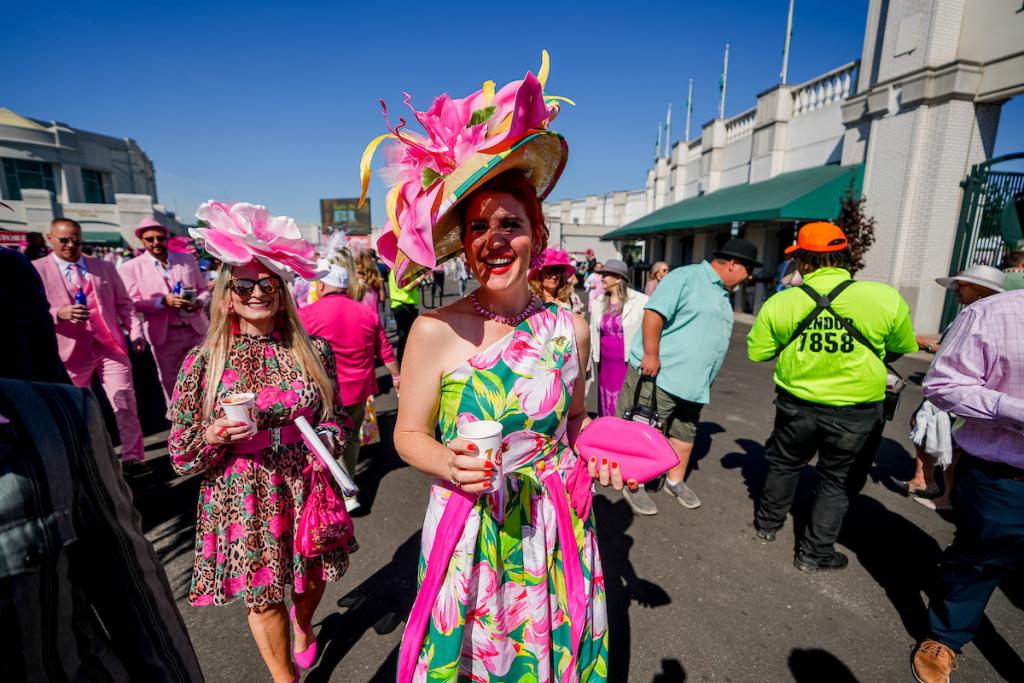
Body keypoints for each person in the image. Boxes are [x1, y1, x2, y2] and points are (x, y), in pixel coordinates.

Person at [362, 55, 628, 681]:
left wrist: (608, 455)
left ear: (536, 233)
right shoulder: (432, 330)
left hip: (555, 523)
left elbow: (578, 425)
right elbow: (408, 435)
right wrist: (445, 461)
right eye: (478, 227)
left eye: (511, 224)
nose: (494, 239)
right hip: (473, 530)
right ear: (464, 243)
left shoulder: (572, 327)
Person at [170, 200, 357, 683]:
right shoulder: (202, 361)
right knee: (263, 594)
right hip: (243, 491)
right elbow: (180, 452)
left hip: (306, 483)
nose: (257, 293)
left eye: (267, 284)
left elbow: (335, 420)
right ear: (227, 296)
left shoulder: (313, 351)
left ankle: (304, 624)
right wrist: (213, 435)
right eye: (245, 285)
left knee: (310, 580)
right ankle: (283, 678)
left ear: (282, 291)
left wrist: (330, 443)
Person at [0, 379, 205, 683]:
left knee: (123, 398)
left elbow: (133, 587)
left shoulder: (61, 416)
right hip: (79, 355)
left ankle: (134, 458)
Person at [747, 222, 917, 571]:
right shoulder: (883, 297)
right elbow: (900, 347)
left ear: (805, 261)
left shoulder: (783, 302)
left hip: (796, 406)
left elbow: (759, 352)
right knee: (836, 480)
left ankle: (768, 524)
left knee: (784, 464)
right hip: (856, 411)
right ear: (844, 257)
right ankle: (814, 553)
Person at [910, 287, 1024, 683]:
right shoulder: (993, 314)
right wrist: (1014, 410)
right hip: (1005, 478)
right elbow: (942, 385)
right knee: (979, 562)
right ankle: (944, 635)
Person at [619, 237, 760, 516]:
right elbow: (654, 314)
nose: (750, 275)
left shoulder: (721, 293)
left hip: (694, 385)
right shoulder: (687, 277)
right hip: (661, 375)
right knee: (646, 431)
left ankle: (675, 481)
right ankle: (634, 484)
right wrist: (650, 353)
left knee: (684, 433)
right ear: (733, 264)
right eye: (748, 268)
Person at [34, 218, 148, 471]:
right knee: (77, 408)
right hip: (70, 352)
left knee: (125, 402)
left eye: (76, 240)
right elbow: (29, 309)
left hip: (110, 346)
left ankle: (134, 458)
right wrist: (58, 313)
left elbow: (124, 304)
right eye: (64, 240)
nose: (71, 245)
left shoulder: (104, 268)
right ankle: (87, 462)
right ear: (49, 238)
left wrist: (136, 331)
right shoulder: (36, 269)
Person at [299, 247, 400, 511]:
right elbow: (385, 348)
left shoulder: (309, 314)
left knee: (329, 438)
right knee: (351, 437)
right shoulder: (365, 311)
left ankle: (345, 492)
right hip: (360, 387)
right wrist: (397, 375)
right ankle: (348, 483)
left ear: (321, 285)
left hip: (327, 391)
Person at [897, 264, 1005, 511]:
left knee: (952, 445)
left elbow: (961, 352)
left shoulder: (981, 316)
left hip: (958, 392)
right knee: (930, 432)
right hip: (951, 389)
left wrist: (925, 345)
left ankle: (946, 496)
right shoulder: (972, 313)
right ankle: (929, 483)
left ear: (980, 290)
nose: (956, 289)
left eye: (962, 284)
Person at [119, 218, 210, 403]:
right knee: (172, 381)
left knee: (206, 375)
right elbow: (131, 302)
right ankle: (182, 425)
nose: (155, 243)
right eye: (150, 239)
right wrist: (162, 301)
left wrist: (199, 302)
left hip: (196, 328)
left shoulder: (186, 259)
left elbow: (204, 290)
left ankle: (209, 417)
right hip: (164, 334)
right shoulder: (130, 267)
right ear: (142, 241)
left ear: (166, 238)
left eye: (159, 238)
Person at [590, 259, 648, 417]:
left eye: (606, 275)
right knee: (605, 399)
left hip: (626, 361)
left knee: (625, 399)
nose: (602, 278)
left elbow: (647, 330)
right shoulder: (599, 302)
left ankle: (622, 431)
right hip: (605, 363)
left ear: (618, 278)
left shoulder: (641, 301)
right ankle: (607, 431)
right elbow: (593, 332)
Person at [389, 269, 421, 362]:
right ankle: (402, 362)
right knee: (405, 337)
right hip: (403, 306)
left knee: (405, 336)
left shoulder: (395, 270)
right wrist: (419, 279)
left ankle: (403, 361)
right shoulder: (400, 270)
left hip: (402, 305)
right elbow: (408, 287)